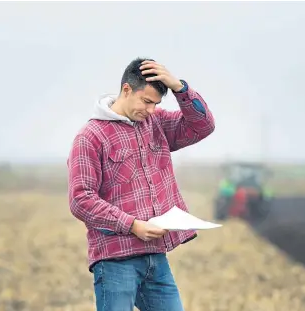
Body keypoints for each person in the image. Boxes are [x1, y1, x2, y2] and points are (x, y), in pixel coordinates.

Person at [67, 57, 215, 311]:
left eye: (156, 104)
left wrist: (180, 88)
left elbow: (203, 125)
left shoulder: (156, 122)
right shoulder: (90, 137)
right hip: (115, 259)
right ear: (126, 89)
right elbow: (81, 199)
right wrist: (132, 225)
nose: (150, 110)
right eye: (146, 101)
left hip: (156, 258)